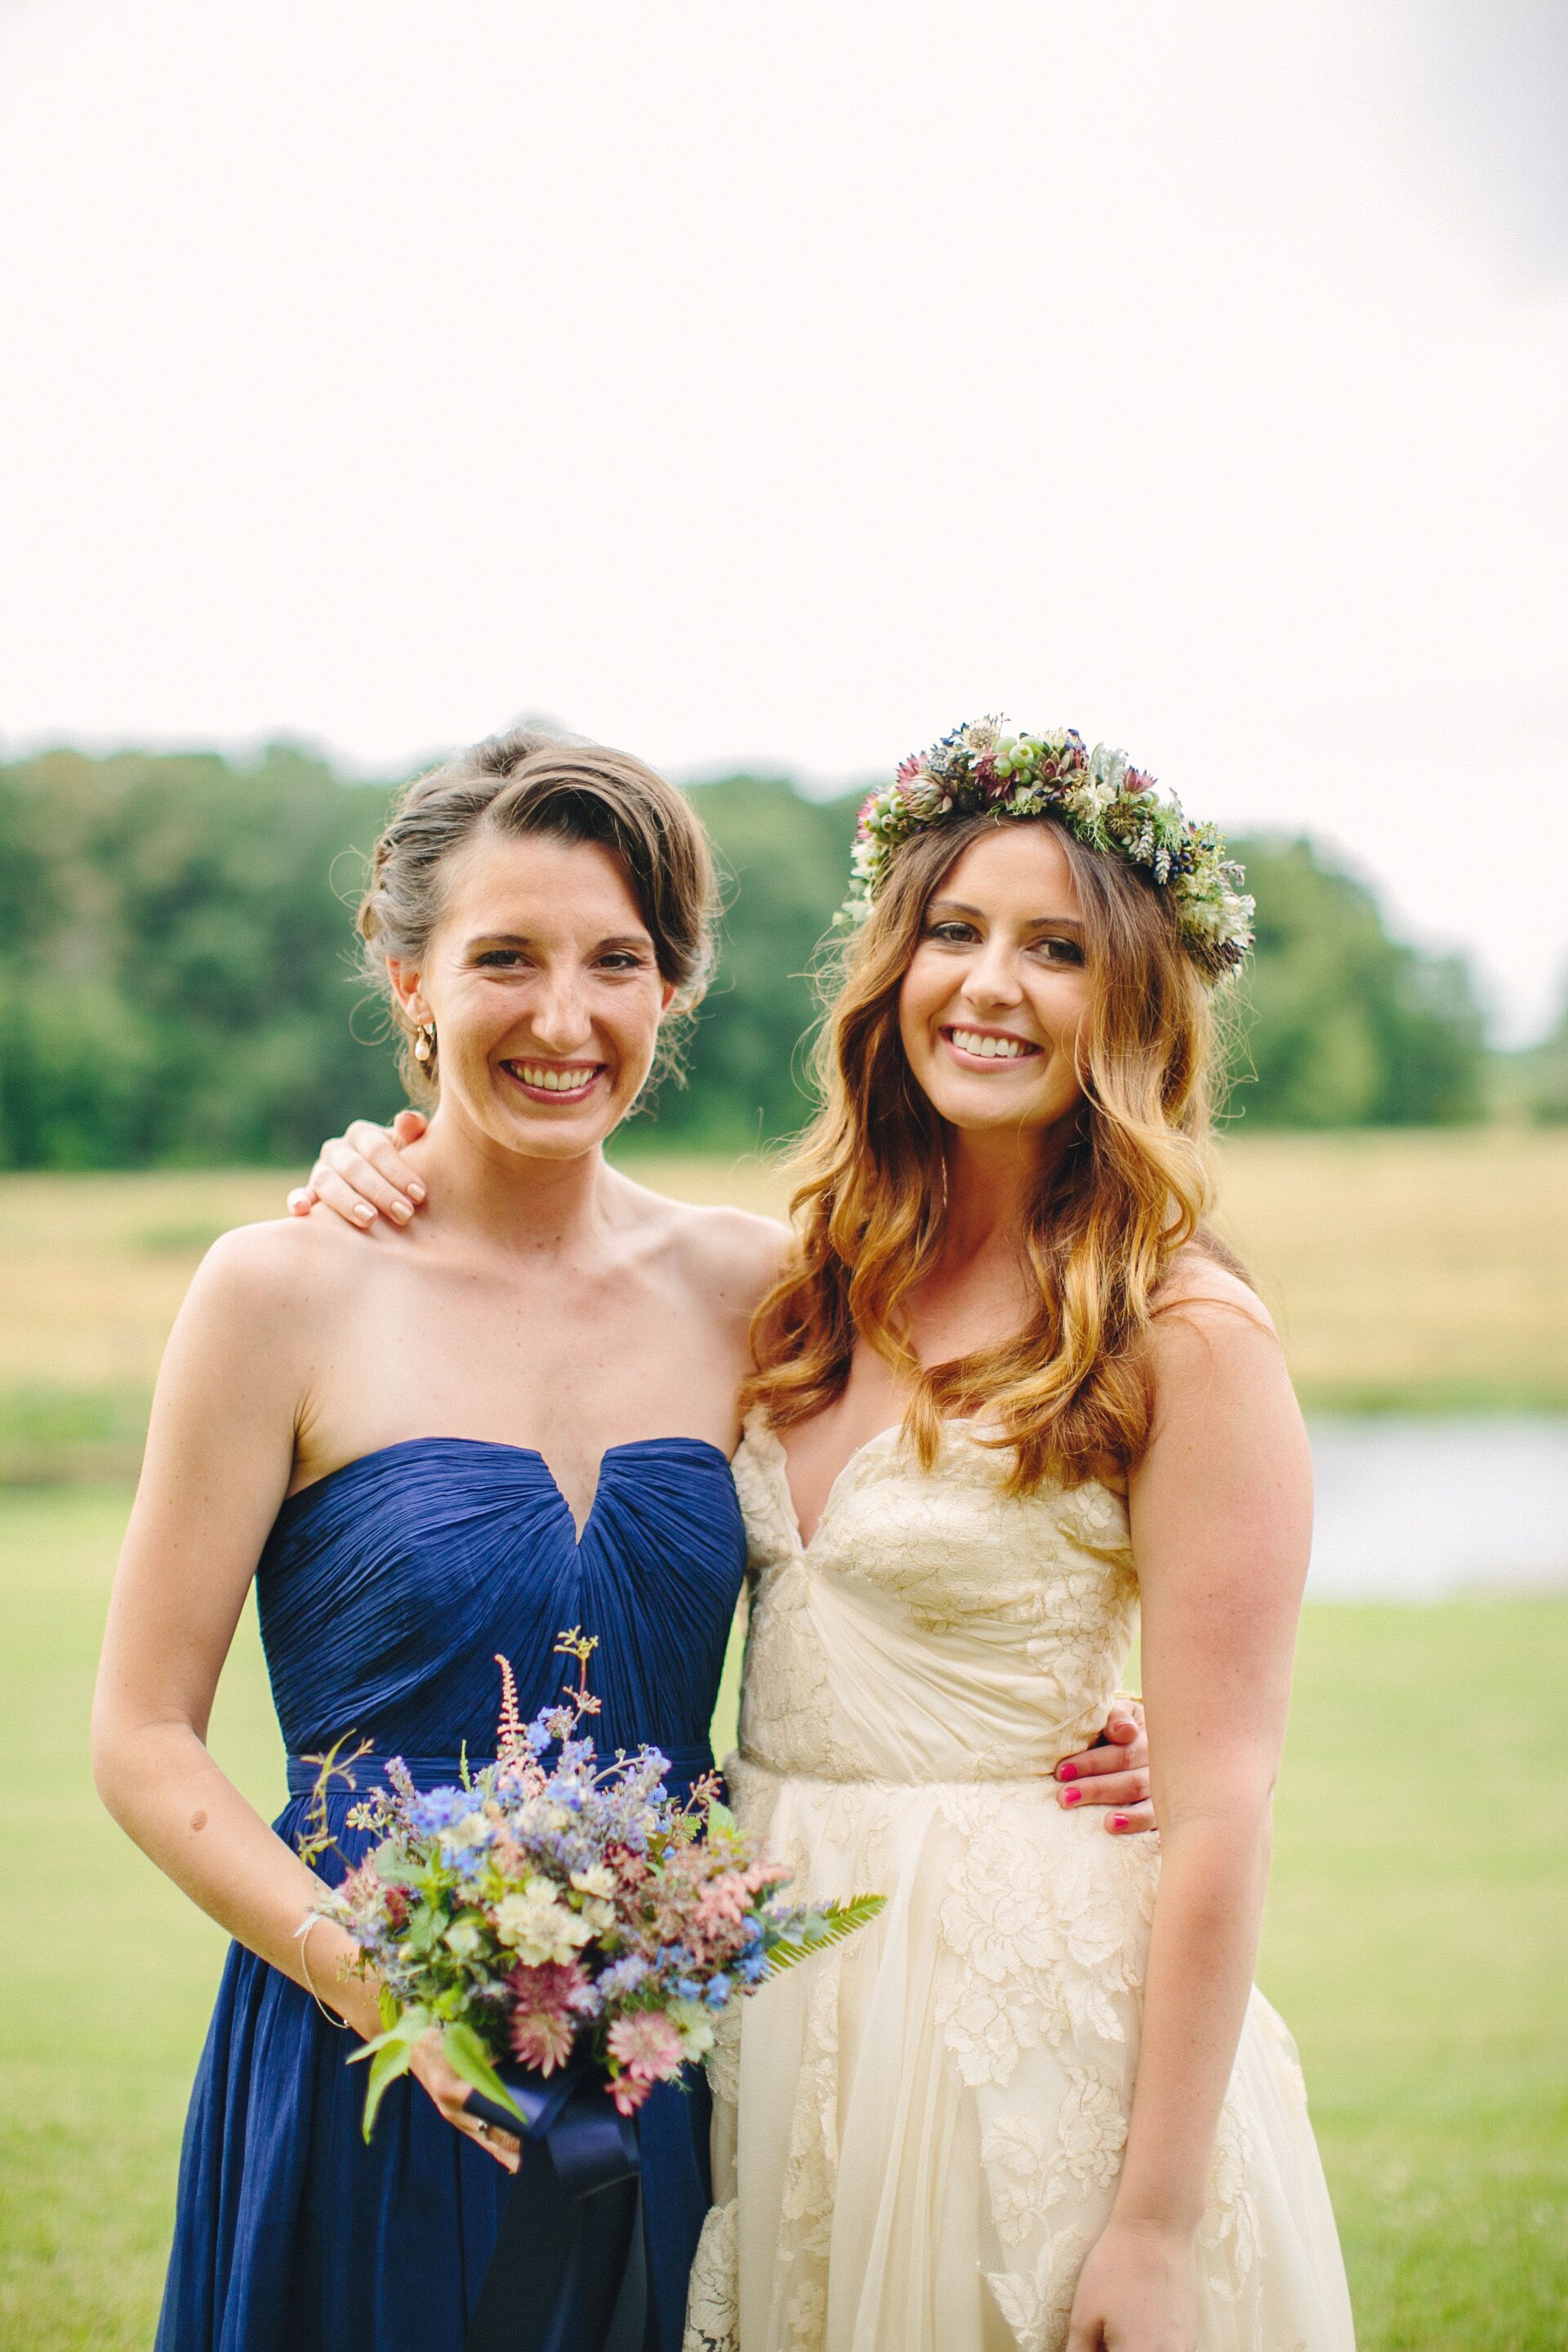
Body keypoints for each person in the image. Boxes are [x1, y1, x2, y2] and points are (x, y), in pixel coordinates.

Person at [296, 721, 1353, 2350]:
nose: (990, 984)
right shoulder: (810, 1284)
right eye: (955, 930)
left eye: (1056, 948)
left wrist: (1153, 2221)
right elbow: (534, 1258)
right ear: (892, 966)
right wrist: (381, 1156)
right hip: (781, 2000)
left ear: (1132, 997)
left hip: (1034, 2027)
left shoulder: (1184, 1328)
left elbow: (1223, 1813)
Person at [96, 724, 1144, 2352]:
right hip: (365, 2063)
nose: (563, 1018)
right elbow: (142, 1736)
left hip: (672, 2067)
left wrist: (1072, 1732)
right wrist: (383, 1992)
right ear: (408, 979)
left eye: (617, 962)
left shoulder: (766, 1290)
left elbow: (937, 1529)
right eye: (503, 958)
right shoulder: (277, 1293)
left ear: (674, 989)